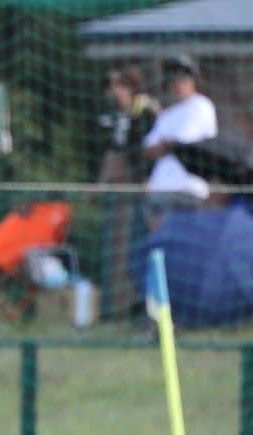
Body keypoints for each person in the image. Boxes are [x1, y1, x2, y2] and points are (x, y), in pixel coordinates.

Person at [96, 66, 159, 318]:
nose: (114, 92)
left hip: (151, 190)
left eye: (119, 86)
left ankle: (152, 305)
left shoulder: (147, 113)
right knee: (131, 248)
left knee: (149, 244)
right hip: (133, 192)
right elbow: (115, 154)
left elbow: (151, 149)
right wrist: (102, 184)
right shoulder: (120, 118)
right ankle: (132, 305)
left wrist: (147, 177)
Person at [142, 54, 218, 230]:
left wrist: (166, 145)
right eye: (173, 77)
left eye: (183, 77)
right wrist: (167, 145)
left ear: (193, 80)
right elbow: (148, 148)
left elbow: (185, 143)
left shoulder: (202, 106)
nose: (177, 82)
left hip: (187, 190)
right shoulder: (167, 116)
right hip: (159, 191)